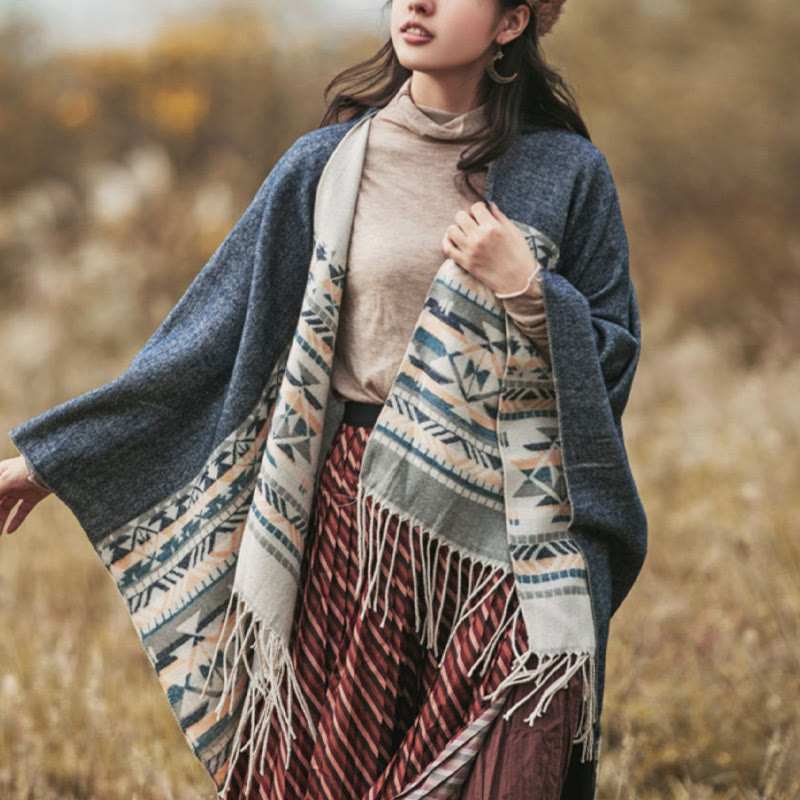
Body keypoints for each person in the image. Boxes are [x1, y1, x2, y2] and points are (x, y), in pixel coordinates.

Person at [1, 1, 647, 798]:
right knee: (336, 774)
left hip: (516, 537)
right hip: (353, 526)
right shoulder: (325, 166)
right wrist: (46, 461)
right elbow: (203, 338)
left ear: (512, 23)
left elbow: (614, 358)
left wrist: (527, 287)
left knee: (512, 772)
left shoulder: (568, 173)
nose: (417, 3)